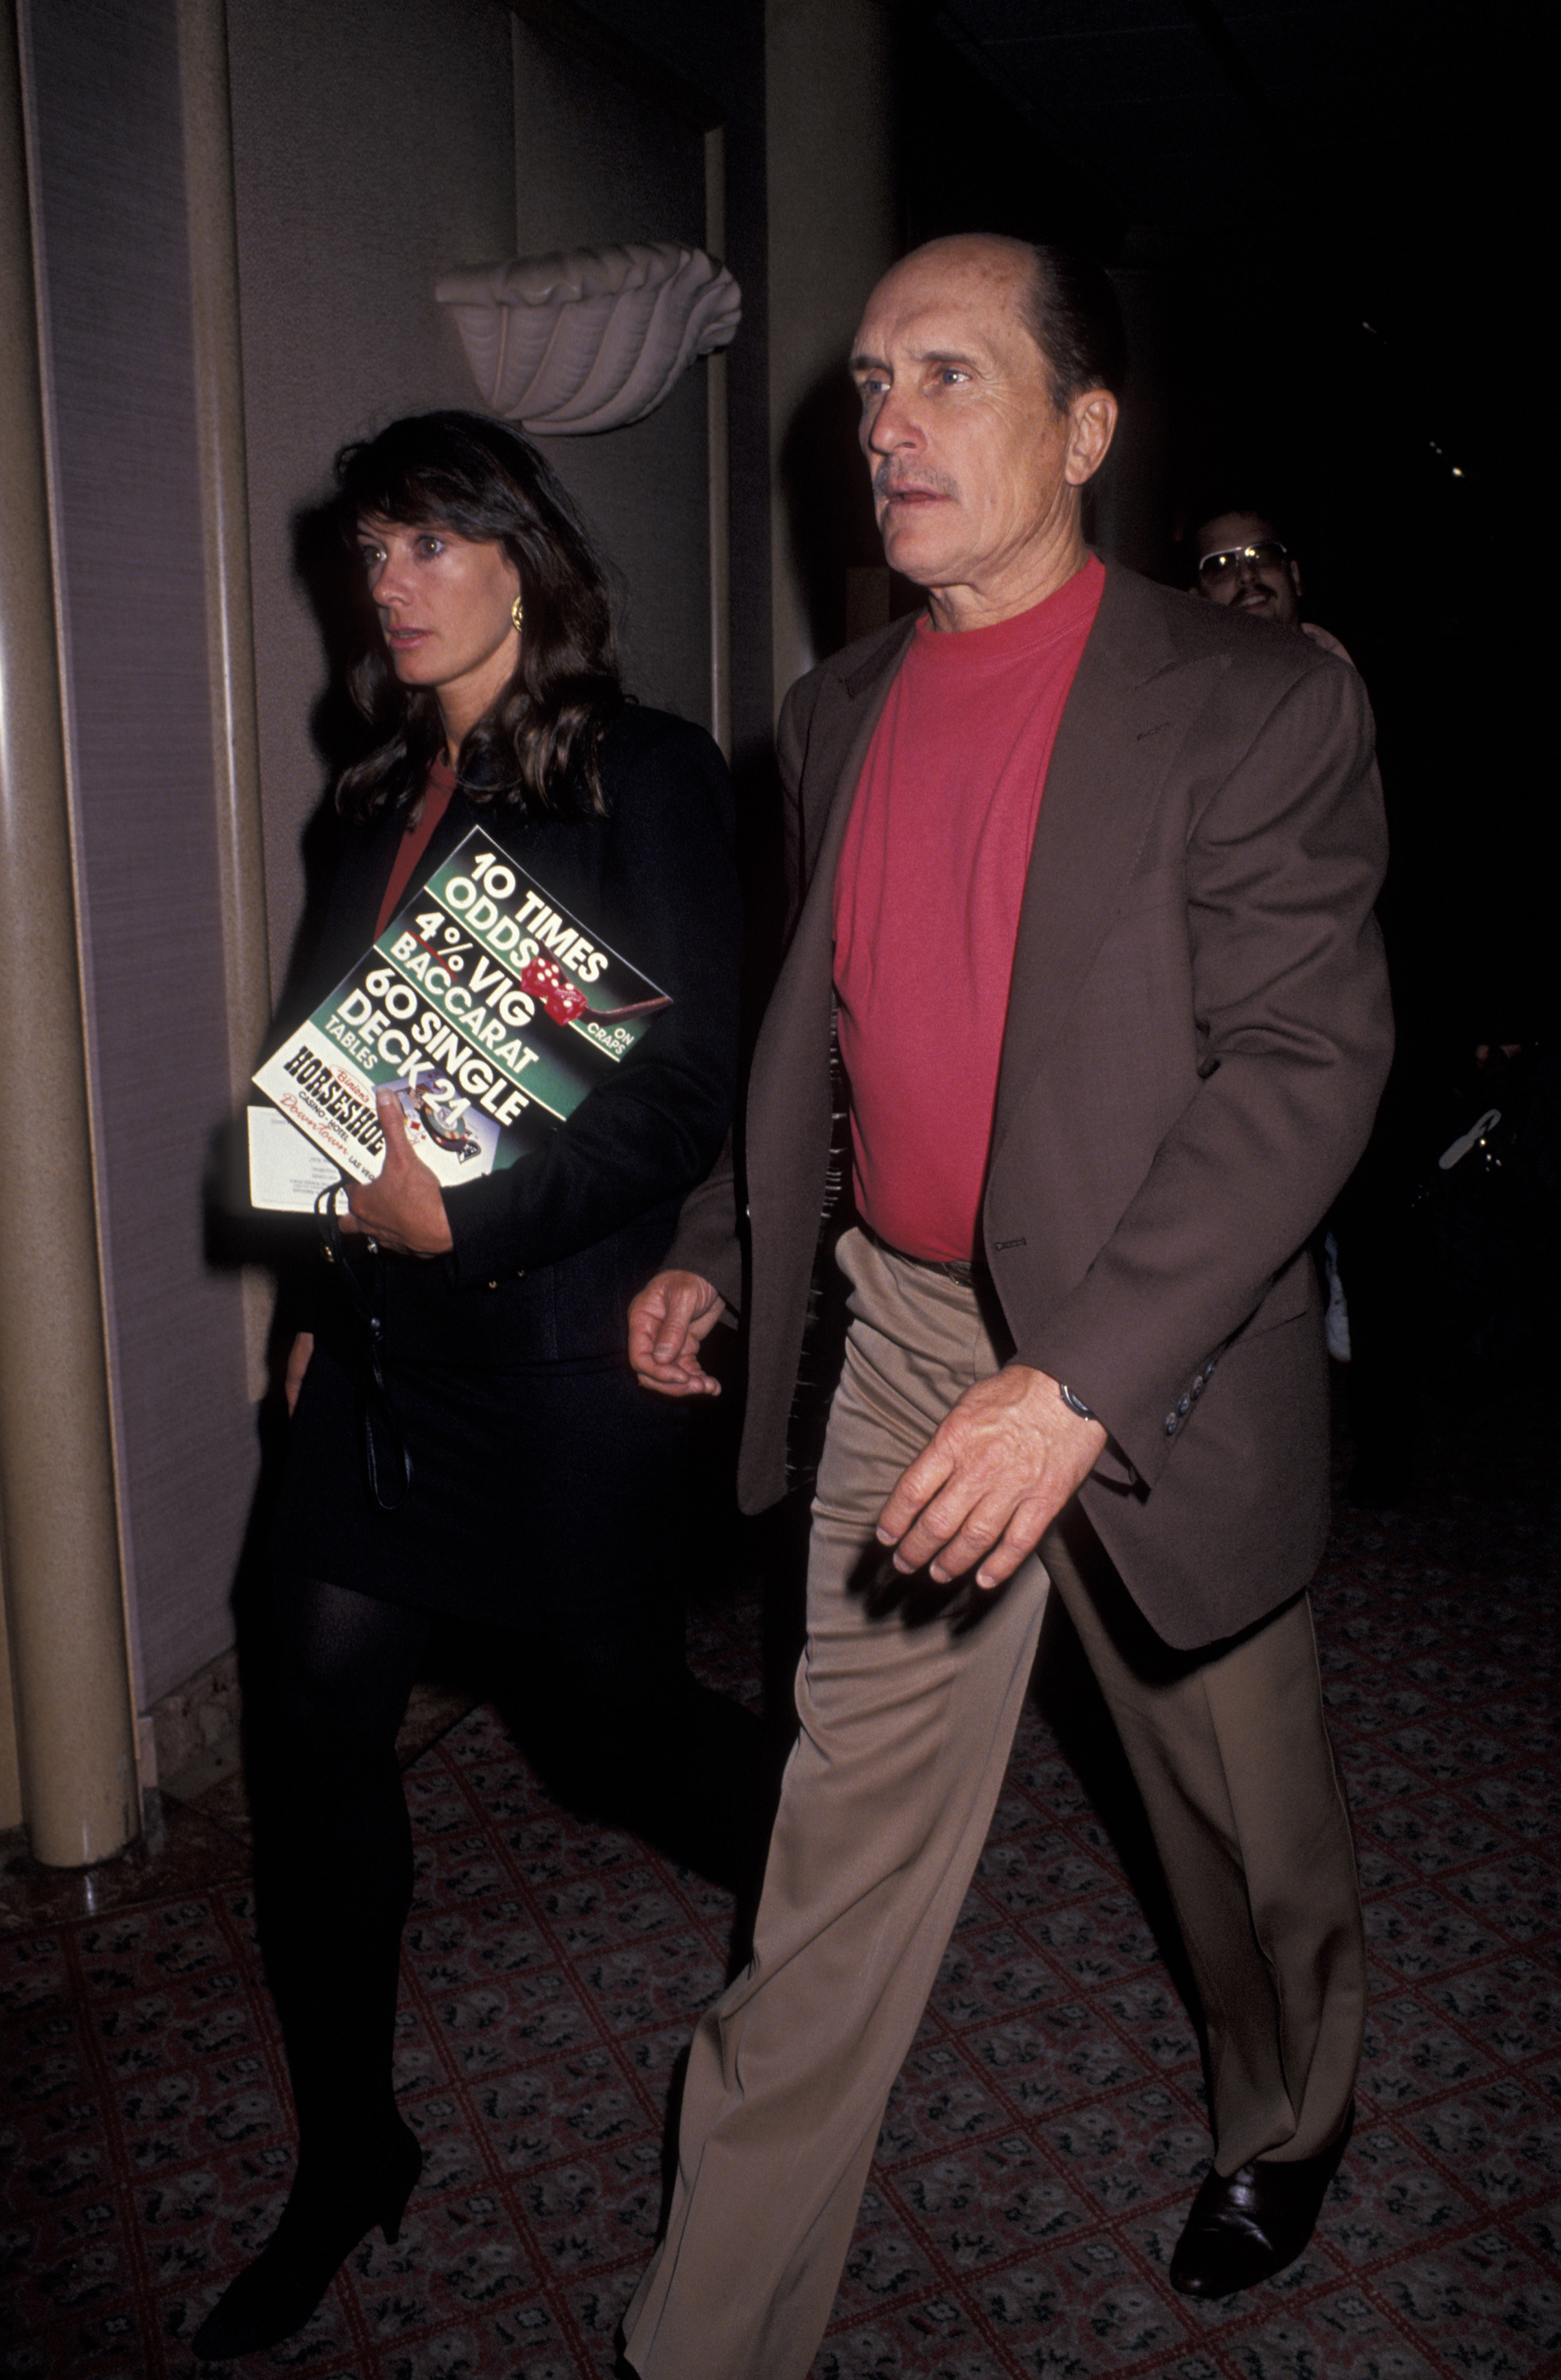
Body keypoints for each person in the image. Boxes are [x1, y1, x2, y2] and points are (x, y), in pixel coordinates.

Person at [619, 236, 1392, 2378]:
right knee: (834, 1852)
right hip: (909, 1336)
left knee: (1236, 1830)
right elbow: (819, 1038)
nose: (886, 426)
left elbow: (1309, 1066)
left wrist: (1081, 1375)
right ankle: (709, 2339)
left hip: (1161, 1357)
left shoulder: (1255, 695)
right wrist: (723, 1237)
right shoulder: (838, 707)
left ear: (1082, 428)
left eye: (948, 378)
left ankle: (1287, 2108)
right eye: (870, 384)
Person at [194, 412, 755, 2360]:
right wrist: (308, 1280)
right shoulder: (368, 796)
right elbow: (322, 1064)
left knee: (612, 1735)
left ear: (523, 555)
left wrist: (474, 1221)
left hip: (546, 1352)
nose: (393, 580)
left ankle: (823, 1861)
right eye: (373, 549)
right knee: (307, 1712)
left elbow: (686, 1089)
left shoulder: (646, 773)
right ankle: (351, 2149)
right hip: (368, 1366)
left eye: (432, 540)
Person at [1190, 502, 1354, 661]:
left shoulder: (1347, 680)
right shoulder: (1182, 686)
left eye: (1262, 556)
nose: (1247, 575)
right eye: (1221, 566)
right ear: (1197, 602)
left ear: (1295, 577)